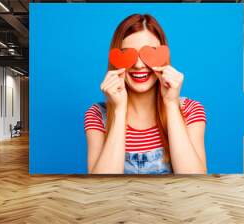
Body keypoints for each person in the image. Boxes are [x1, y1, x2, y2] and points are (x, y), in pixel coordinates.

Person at [84, 14, 206, 174]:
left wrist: (171, 104)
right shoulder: (97, 115)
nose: (139, 65)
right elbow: (101, 188)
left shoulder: (190, 110)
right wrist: (119, 110)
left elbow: (194, 183)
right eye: (129, 55)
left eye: (148, 54)